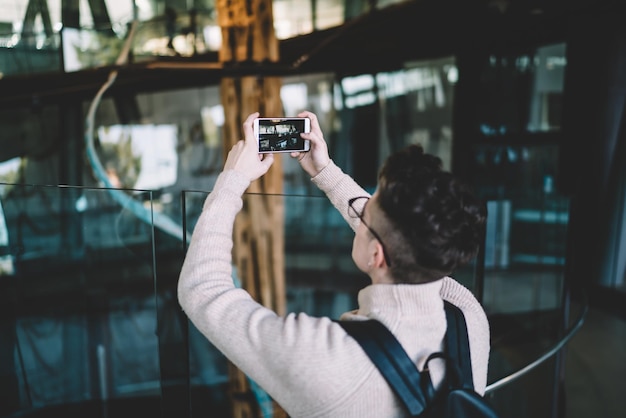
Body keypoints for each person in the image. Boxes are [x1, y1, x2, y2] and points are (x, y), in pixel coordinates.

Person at [177, 111, 490, 417]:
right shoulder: (468, 317)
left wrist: (232, 180)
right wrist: (324, 171)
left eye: (365, 212)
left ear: (377, 256)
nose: (361, 209)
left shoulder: (324, 357)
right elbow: (416, 242)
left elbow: (202, 289)